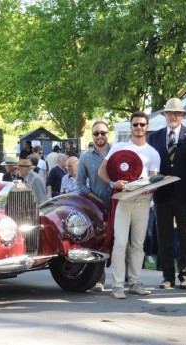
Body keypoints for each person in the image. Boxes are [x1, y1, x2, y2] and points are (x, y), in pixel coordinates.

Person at [98, 111, 160, 299]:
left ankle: (134, 281)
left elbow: (154, 178)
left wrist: (151, 189)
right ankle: (117, 285)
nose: (139, 128)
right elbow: (102, 171)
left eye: (142, 124)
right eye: (135, 125)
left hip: (142, 201)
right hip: (123, 200)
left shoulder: (153, 152)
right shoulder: (118, 147)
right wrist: (112, 184)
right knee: (120, 242)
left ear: (147, 127)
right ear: (131, 127)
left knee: (138, 244)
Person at [149, 98, 186, 290]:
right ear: (164, 115)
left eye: (177, 113)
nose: (173, 116)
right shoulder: (154, 137)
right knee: (163, 236)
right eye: (170, 113)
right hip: (162, 195)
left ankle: (185, 275)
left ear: (182, 116)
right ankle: (167, 276)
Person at [77, 120, 113, 292]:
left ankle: (125, 278)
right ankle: (100, 278)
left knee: (121, 241)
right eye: (96, 133)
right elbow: (80, 185)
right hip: (97, 207)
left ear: (108, 133)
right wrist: (95, 199)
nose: (100, 136)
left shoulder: (118, 152)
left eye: (103, 133)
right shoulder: (85, 158)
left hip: (118, 203)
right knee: (99, 242)